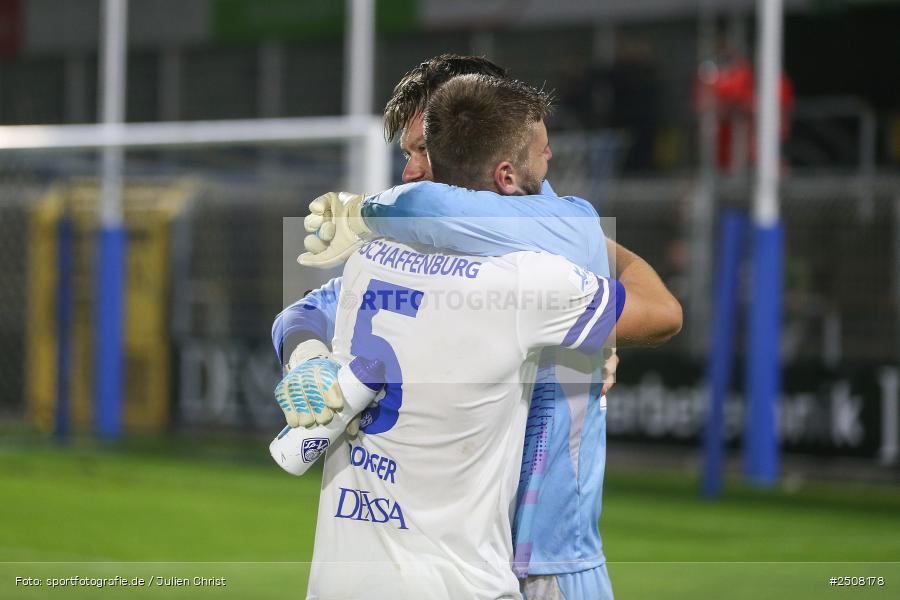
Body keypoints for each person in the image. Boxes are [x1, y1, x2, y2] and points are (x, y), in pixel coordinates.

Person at [273, 55, 681, 600]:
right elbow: (301, 313)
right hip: (459, 548)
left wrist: (368, 210)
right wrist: (308, 358)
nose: (413, 169)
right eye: (410, 153)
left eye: (425, 149)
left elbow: (439, 208)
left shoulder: (558, 233)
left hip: (545, 560)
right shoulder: (403, 245)